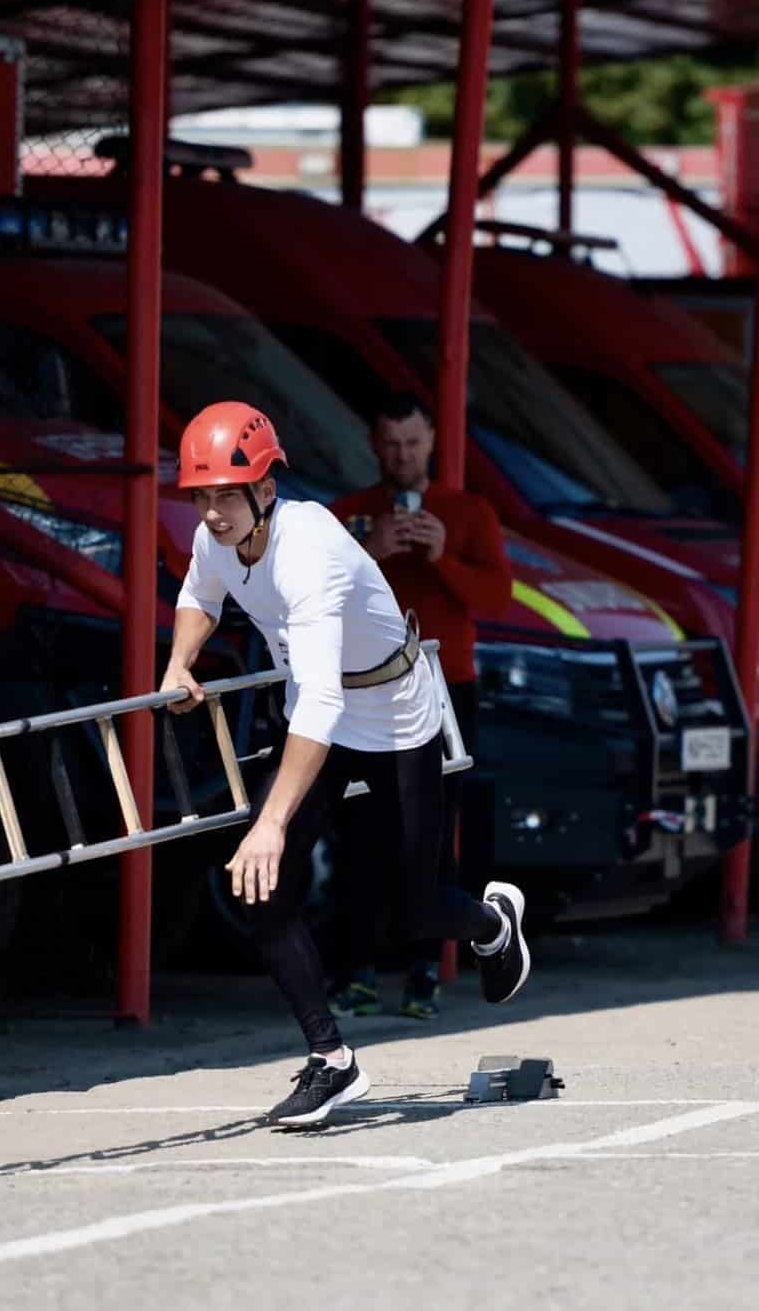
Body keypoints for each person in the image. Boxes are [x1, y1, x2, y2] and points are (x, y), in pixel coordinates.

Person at [161, 401, 531, 1127]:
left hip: (391, 714)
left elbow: (323, 710)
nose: (210, 513)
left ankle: (493, 923)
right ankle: (333, 1062)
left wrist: (269, 820)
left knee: (414, 906)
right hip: (318, 711)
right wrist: (180, 659)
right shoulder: (217, 535)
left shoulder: (310, 550)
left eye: (225, 495)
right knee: (259, 887)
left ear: (266, 490)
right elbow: (199, 594)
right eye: (200, 496)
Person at [329, 394, 512, 1018]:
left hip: (445, 687)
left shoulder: (468, 512)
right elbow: (319, 593)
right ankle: (356, 971)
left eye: (412, 442)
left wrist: (442, 557)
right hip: (365, 691)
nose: (402, 455)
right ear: (375, 446)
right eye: (391, 443)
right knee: (360, 829)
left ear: (431, 442)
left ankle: (425, 971)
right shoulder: (350, 514)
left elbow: (498, 598)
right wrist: (372, 548)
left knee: (433, 831)